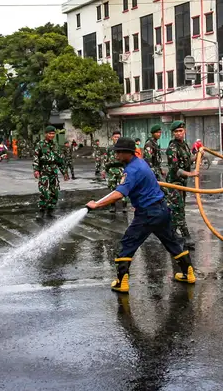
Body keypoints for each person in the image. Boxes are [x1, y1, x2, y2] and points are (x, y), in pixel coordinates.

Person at [85, 137, 196, 292]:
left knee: (128, 243)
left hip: (147, 213)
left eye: (119, 152)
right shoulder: (140, 163)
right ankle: (188, 273)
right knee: (172, 241)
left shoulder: (131, 170)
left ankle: (121, 282)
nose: (116, 155)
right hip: (162, 210)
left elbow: (119, 194)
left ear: (128, 153)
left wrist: (96, 205)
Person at [165, 122, 199, 247]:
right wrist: (191, 174)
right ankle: (186, 236)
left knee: (178, 209)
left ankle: (171, 234)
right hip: (174, 183)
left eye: (180, 130)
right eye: (176, 131)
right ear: (173, 133)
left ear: (184, 131)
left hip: (182, 183)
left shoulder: (184, 145)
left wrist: (197, 156)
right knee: (178, 209)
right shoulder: (172, 148)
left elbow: (187, 159)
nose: (179, 133)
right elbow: (175, 169)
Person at [32, 125, 69, 216]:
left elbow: (60, 160)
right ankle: (42, 207)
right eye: (50, 133)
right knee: (45, 192)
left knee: (55, 192)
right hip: (44, 171)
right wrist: (36, 170)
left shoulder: (55, 145)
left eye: (53, 133)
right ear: (45, 134)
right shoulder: (40, 145)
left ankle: (51, 209)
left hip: (53, 171)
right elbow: (36, 158)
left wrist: (64, 172)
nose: (51, 135)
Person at [102, 130, 126, 214]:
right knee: (112, 189)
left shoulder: (123, 148)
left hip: (121, 170)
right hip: (111, 170)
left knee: (123, 188)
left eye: (118, 137)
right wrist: (104, 170)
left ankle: (124, 206)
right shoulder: (109, 148)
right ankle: (112, 206)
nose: (116, 139)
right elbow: (105, 159)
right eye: (115, 137)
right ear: (112, 138)